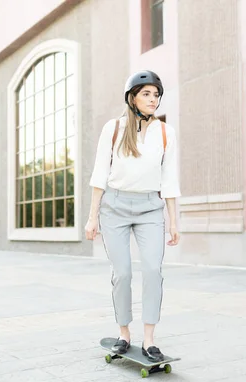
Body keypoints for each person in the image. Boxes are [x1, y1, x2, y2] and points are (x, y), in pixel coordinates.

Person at [85, 70, 180, 363]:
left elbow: (169, 180)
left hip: (151, 208)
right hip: (114, 207)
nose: (153, 100)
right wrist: (92, 218)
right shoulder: (113, 129)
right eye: (146, 94)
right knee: (123, 272)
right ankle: (124, 333)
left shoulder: (165, 132)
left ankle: (149, 340)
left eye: (156, 95)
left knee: (153, 270)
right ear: (132, 98)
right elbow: (100, 175)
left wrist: (173, 221)